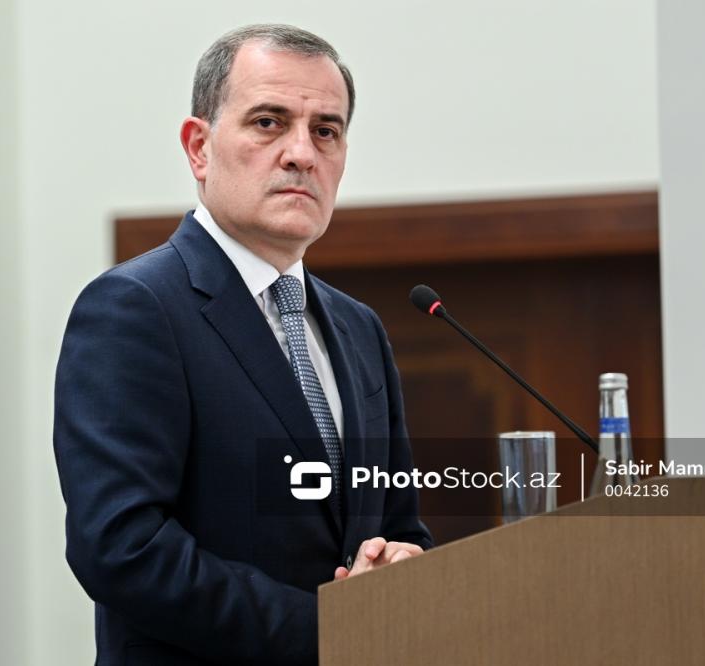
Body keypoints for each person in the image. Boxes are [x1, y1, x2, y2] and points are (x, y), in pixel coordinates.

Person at [53, 24, 432, 665]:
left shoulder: (360, 328)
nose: (301, 153)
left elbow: (397, 522)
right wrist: (332, 629)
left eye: (326, 131)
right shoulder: (134, 308)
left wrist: (403, 564)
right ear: (199, 148)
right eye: (268, 122)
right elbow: (122, 548)